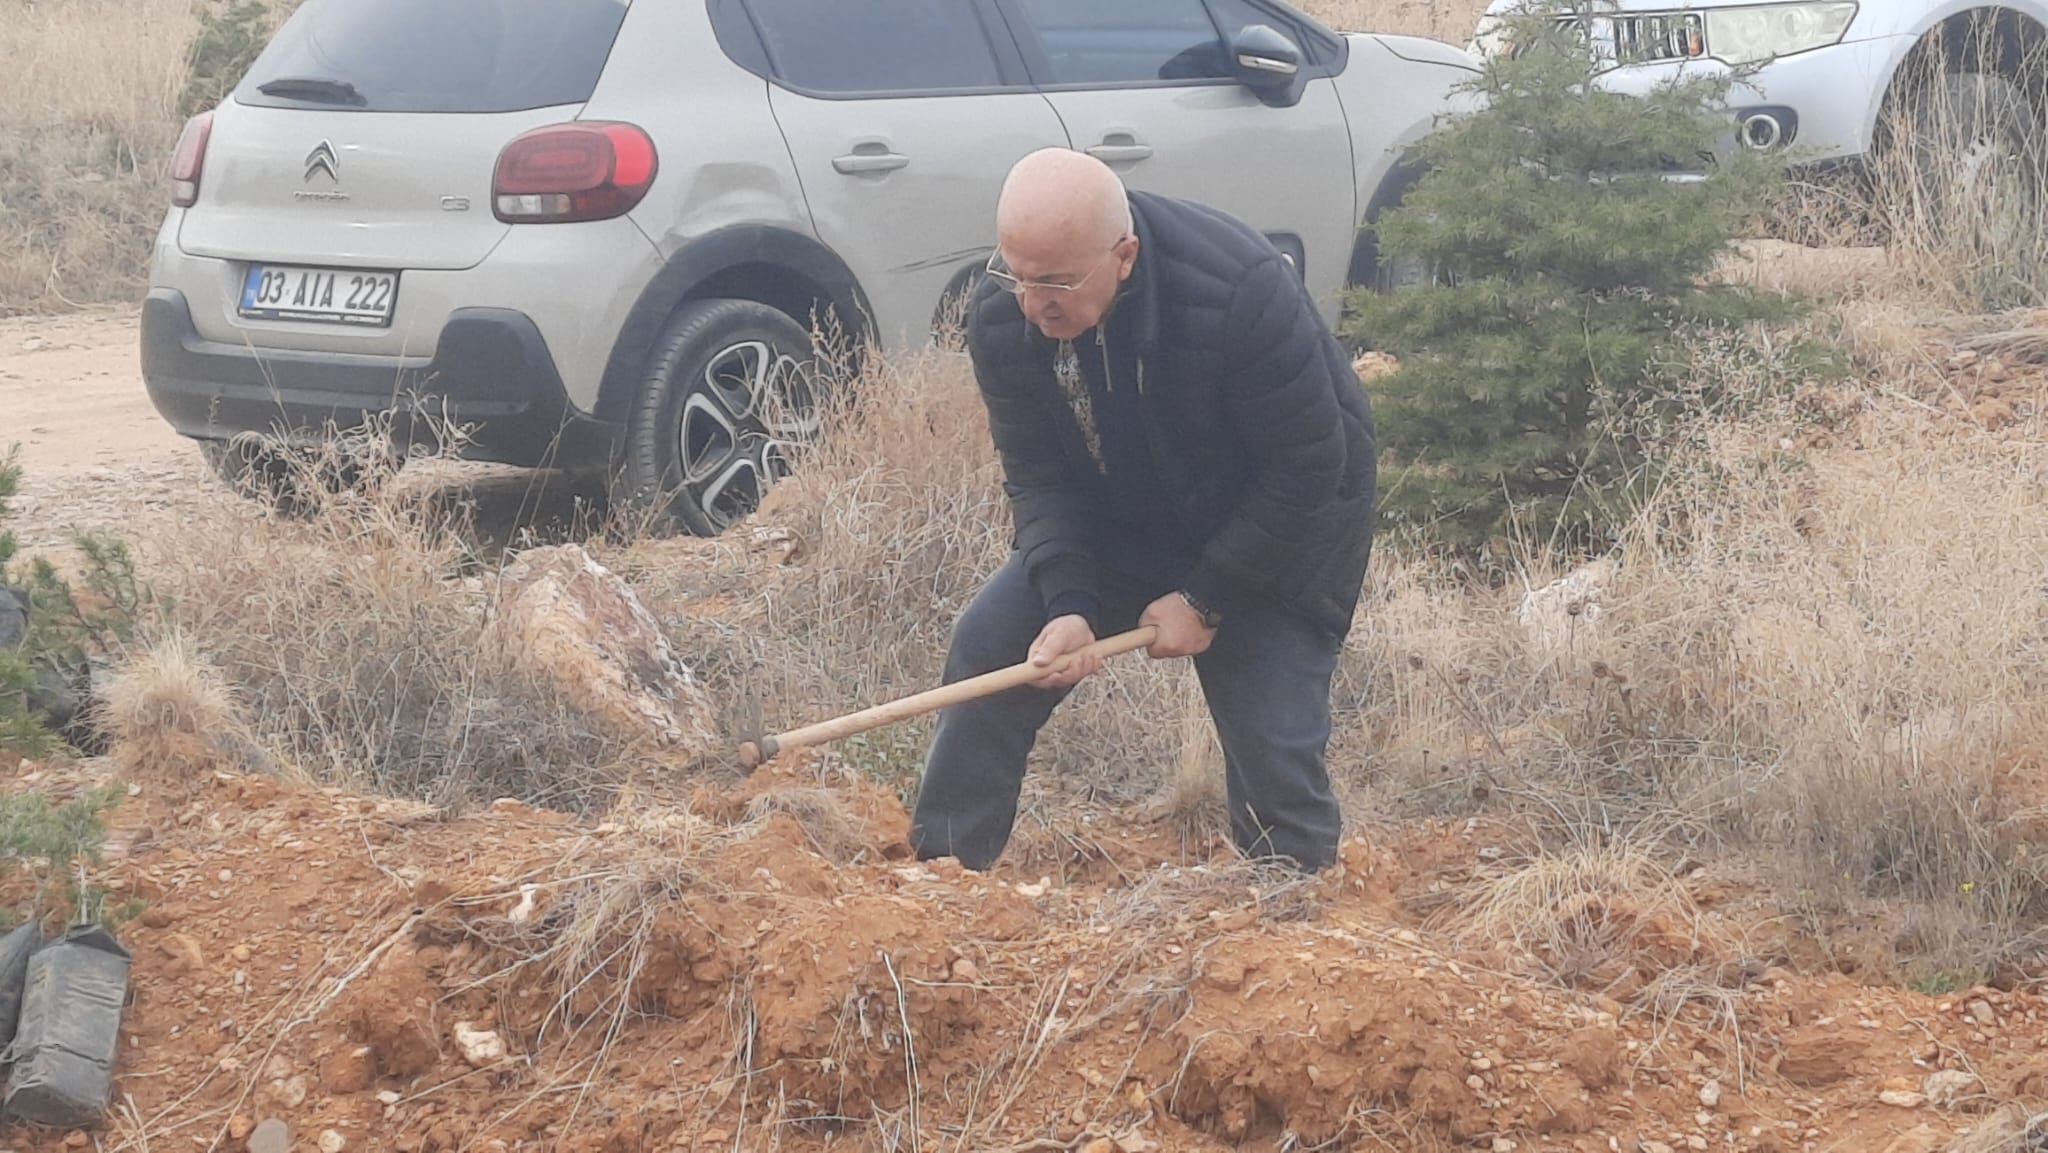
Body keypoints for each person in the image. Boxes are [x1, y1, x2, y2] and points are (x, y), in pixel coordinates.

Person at [908, 147, 1378, 873]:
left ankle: (1295, 917)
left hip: (1275, 529)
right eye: (1018, 275)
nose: (1034, 304)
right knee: (991, 645)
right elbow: (1039, 479)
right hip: (1125, 516)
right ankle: (941, 875)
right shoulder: (1005, 316)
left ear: (1123, 255)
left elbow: (1311, 467)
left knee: (1270, 745)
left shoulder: (1238, 291)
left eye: (1057, 282)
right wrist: (1066, 599)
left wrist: (1207, 596)